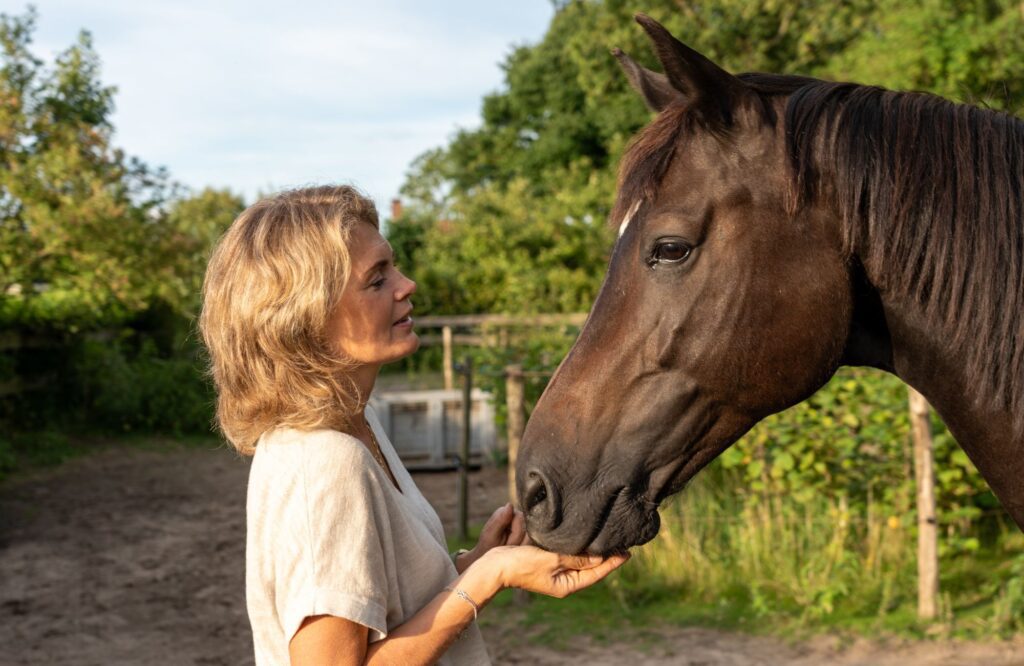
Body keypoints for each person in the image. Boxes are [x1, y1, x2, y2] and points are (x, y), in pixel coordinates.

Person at [199, 185, 629, 665]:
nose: (407, 285)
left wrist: (476, 563)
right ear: (306, 317)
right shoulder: (322, 462)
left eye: (393, 267)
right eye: (377, 279)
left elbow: (386, 609)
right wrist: (490, 579)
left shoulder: (356, 426)